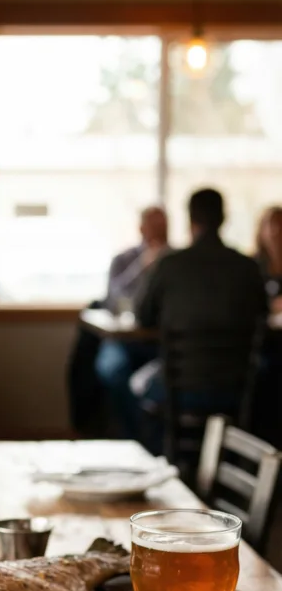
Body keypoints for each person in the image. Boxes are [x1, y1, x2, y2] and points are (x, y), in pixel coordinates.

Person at [131, 187, 267, 429]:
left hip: (181, 384)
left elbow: (142, 317)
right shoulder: (247, 268)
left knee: (136, 383)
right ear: (224, 219)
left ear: (190, 220)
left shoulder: (169, 265)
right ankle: (230, 460)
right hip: (237, 386)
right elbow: (263, 317)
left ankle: (165, 458)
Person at [93, 206, 171, 438]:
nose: (159, 231)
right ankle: (133, 437)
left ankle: (153, 442)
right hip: (123, 341)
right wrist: (143, 266)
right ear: (141, 228)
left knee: (174, 376)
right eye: (153, 225)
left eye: (163, 226)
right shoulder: (123, 260)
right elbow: (113, 301)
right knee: (114, 370)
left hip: (162, 343)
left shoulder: (177, 261)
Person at [255, 205, 282, 314]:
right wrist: (272, 305)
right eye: (271, 225)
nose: (277, 230)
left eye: (280, 224)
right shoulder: (251, 266)